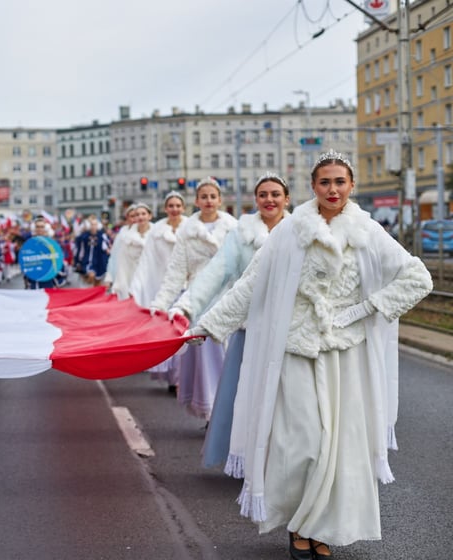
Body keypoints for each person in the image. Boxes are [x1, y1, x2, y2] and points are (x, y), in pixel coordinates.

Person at [196, 150, 432, 559]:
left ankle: (318, 529)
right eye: (325, 182)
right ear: (313, 187)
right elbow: (251, 285)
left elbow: (418, 278)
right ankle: (298, 524)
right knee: (301, 442)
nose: (333, 189)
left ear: (352, 186)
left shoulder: (368, 230)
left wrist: (364, 309)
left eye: (340, 182)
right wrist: (207, 325)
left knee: (339, 449)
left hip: (345, 354)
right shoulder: (290, 232)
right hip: (297, 349)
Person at [169, 173, 289, 469]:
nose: (269, 200)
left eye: (276, 194)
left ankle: (287, 460)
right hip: (252, 328)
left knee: (289, 399)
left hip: (293, 329)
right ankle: (249, 459)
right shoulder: (241, 235)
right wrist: (186, 306)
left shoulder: (301, 230)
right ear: (255, 200)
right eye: (263, 194)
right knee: (248, 397)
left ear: (287, 199)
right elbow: (216, 272)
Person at [150, 177, 237, 420]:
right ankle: (212, 413)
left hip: (229, 299)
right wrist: (161, 303)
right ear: (196, 201)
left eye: (213, 196)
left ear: (220, 200)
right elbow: (176, 271)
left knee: (231, 358)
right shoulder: (188, 233)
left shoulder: (234, 229)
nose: (209, 201)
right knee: (209, 360)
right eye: (204, 197)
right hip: (199, 301)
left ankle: (231, 412)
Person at [129, 192, 187, 392]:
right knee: (168, 335)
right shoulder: (157, 232)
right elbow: (147, 262)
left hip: (188, 288)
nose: (174, 209)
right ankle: (173, 378)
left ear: (184, 207)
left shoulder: (191, 228)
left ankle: (183, 379)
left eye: (178, 205)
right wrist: (136, 288)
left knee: (185, 333)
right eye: (170, 205)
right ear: (165, 208)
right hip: (164, 288)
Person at [109, 202, 152, 300]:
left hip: (152, 281)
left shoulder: (158, 234)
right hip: (133, 280)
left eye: (143, 214)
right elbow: (120, 261)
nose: (140, 217)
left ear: (150, 216)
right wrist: (117, 282)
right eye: (136, 215)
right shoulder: (126, 237)